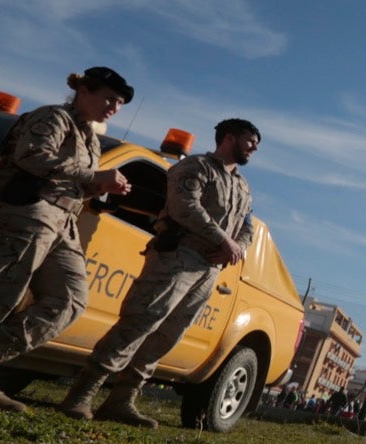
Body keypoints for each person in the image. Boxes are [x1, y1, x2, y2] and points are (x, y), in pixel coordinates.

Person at [54, 119, 259, 427]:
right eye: (249, 140)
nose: (254, 147)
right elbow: (183, 206)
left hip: (209, 269)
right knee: (140, 322)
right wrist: (223, 240)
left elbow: (247, 227)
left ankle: (122, 400)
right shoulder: (196, 167)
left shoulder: (242, 185)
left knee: (169, 334)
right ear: (229, 138)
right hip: (178, 256)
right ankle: (82, 394)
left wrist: (236, 248)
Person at [0, 67, 134, 412]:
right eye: (109, 98)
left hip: (63, 221)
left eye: (119, 103)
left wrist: (102, 185)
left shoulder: (90, 138)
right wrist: (94, 175)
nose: (114, 107)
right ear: (84, 91)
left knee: (70, 301)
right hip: (27, 210)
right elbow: (30, 156)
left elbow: (76, 179)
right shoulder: (54, 117)